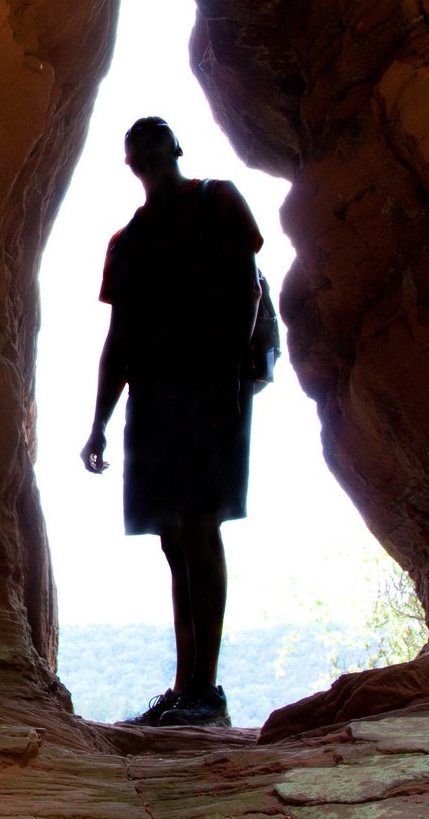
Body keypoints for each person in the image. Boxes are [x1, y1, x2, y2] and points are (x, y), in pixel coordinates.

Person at [80, 116, 264, 728]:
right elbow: (119, 339)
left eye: (158, 149)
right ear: (131, 164)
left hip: (206, 387)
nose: (151, 162)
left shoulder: (215, 200)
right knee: (172, 540)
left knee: (198, 526)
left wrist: (231, 376)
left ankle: (206, 694)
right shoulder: (126, 241)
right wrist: (99, 422)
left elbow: (247, 287)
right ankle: (187, 688)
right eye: (141, 154)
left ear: (175, 149)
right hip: (153, 401)